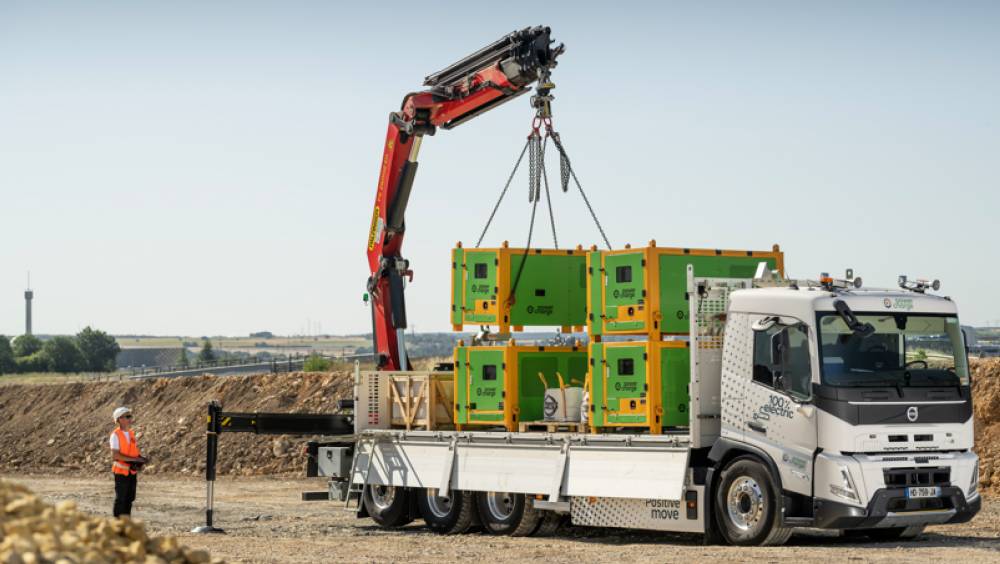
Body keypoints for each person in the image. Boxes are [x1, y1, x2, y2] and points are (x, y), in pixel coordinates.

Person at [110, 406, 146, 518]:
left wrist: (140, 458)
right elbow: (115, 455)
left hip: (131, 471)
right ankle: (117, 525)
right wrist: (135, 460)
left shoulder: (130, 433)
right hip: (121, 472)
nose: (130, 418)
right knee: (121, 499)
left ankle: (126, 523)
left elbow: (132, 451)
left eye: (130, 416)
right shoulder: (115, 435)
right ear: (119, 419)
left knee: (129, 498)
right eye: (127, 416)